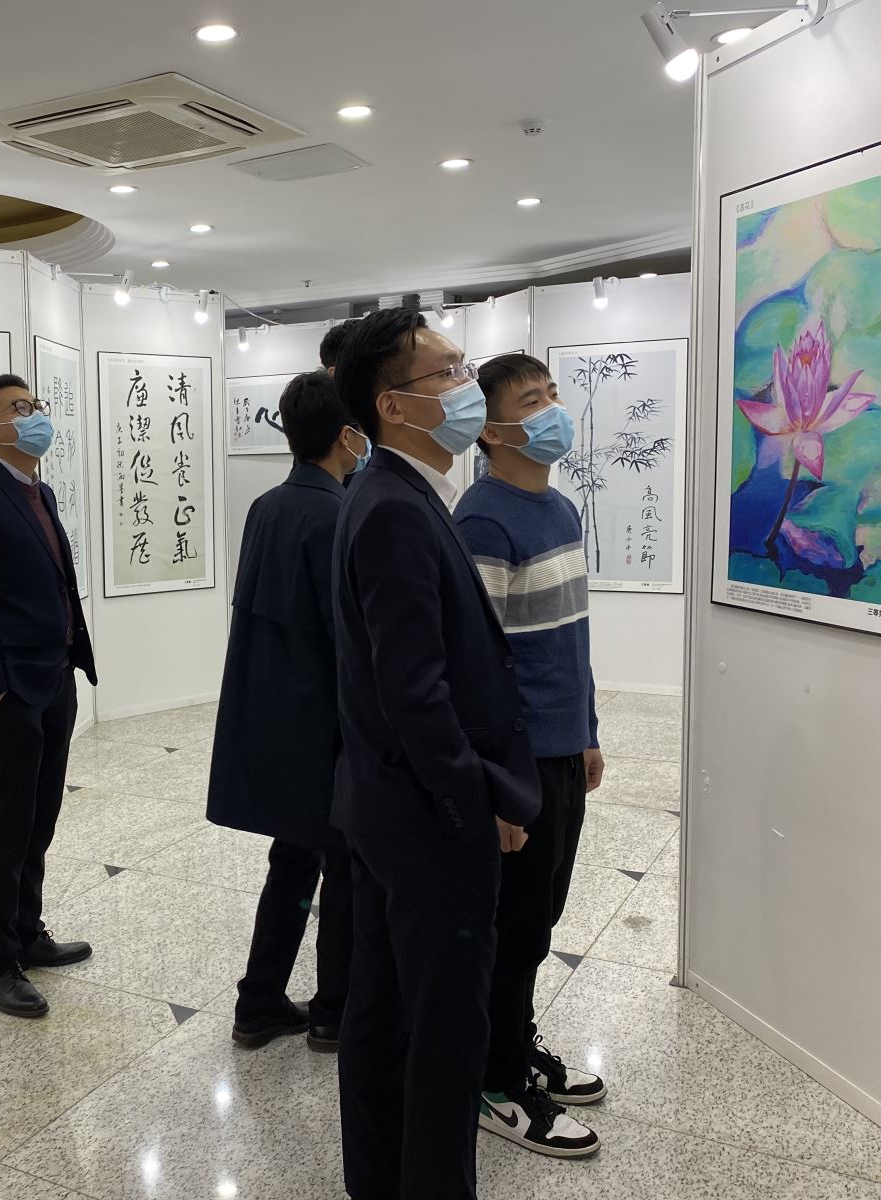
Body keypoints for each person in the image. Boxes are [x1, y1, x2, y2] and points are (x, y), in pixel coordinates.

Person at [330, 310, 541, 1200]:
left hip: (388, 808)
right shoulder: (392, 509)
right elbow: (413, 694)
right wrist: (474, 803)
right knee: (444, 1034)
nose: (467, 383)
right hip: (424, 822)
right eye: (447, 371)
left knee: (385, 1015)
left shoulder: (402, 494)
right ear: (394, 404)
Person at [456, 353, 607, 1157]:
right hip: (517, 762)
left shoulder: (562, 509)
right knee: (513, 926)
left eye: (552, 394)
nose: (552, 410)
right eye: (530, 400)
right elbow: (477, 666)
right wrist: (494, 785)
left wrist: (586, 728)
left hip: (560, 749)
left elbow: (570, 639)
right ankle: (494, 1084)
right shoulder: (483, 521)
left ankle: (514, 1045)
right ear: (491, 429)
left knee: (537, 918)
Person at [207, 371, 366, 1052]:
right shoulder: (339, 515)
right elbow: (346, 637)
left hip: (277, 718)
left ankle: (259, 1001)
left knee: (294, 862)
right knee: (344, 868)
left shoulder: (267, 506)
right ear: (347, 435)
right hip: (326, 726)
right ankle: (333, 1010)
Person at [0, 374, 97, 1020]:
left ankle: (28, 931)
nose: (34, 416)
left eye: (35, 405)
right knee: (9, 821)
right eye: (19, 408)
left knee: (42, 814)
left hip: (54, 678)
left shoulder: (40, 491)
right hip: (13, 691)